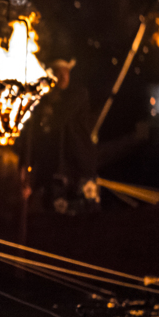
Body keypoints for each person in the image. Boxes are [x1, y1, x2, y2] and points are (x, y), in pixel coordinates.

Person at [31, 59, 99, 214]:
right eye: (58, 73)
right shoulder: (45, 98)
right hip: (56, 165)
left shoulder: (78, 94)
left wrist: (51, 107)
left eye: (66, 72)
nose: (63, 77)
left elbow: (59, 118)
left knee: (87, 210)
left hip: (80, 163)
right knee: (57, 212)